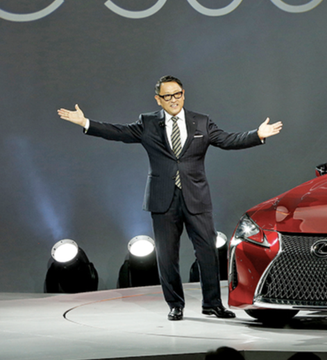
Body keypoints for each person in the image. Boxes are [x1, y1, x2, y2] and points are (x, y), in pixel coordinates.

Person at [58, 75, 282, 321]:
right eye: (167, 96)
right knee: (167, 257)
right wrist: (86, 122)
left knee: (207, 253)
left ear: (183, 94)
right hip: (163, 198)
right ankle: (175, 305)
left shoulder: (201, 121)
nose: (173, 100)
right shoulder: (148, 122)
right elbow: (118, 132)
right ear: (158, 99)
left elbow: (228, 140)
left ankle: (212, 304)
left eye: (177, 94)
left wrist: (257, 134)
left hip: (196, 197)